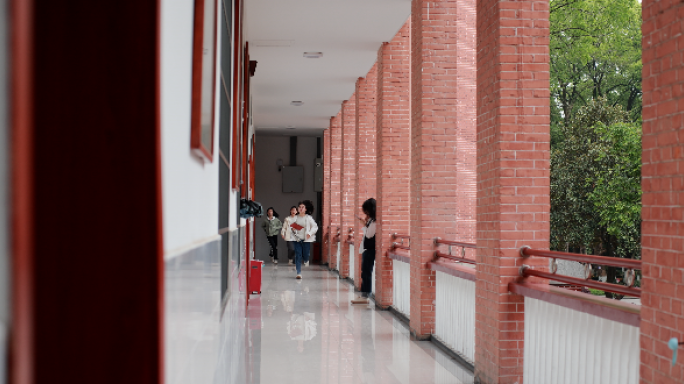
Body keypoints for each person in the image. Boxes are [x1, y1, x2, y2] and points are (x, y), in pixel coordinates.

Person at [352, 198, 376, 304]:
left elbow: (369, 234)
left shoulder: (375, 221)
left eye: (366, 210)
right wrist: (365, 224)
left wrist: (364, 225)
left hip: (370, 250)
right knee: (364, 272)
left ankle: (365, 296)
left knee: (366, 272)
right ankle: (363, 294)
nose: (365, 212)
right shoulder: (371, 220)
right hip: (367, 249)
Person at [290, 200, 318, 279]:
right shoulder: (295, 217)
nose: (301, 209)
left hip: (306, 239)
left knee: (306, 254)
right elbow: (291, 226)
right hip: (297, 239)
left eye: (303, 207)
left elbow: (315, 227)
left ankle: (306, 260)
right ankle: (298, 273)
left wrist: (309, 233)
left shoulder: (309, 218)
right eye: (299, 207)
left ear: (305, 209)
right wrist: (293, 229)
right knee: (298, 254)